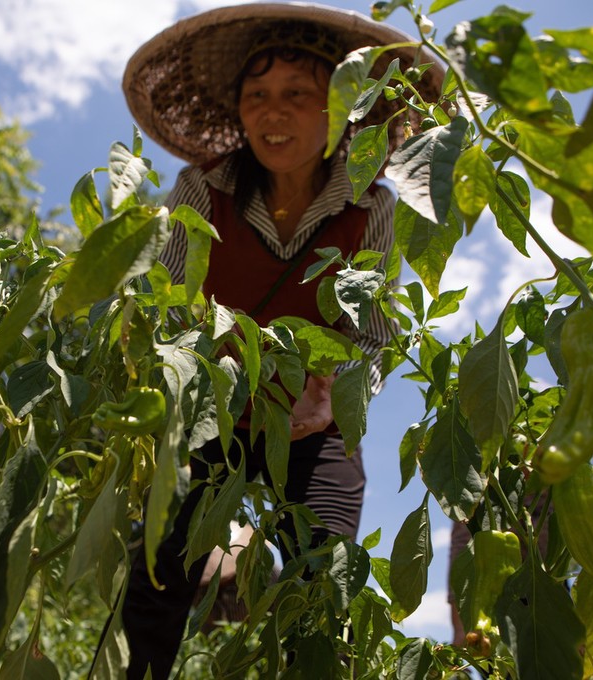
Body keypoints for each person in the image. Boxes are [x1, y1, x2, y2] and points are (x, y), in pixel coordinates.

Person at [117, 4, 443, 677]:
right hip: (212, 416)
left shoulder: (371, 208)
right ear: (238, 111)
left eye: (299, 95)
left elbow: (372, 336)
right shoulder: (203, 190)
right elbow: (171, 305)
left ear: (340, 112)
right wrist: (211, 351)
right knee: (155, 576)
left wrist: (336, 396)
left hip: (311, 425)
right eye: (257, 96)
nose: (273, 112)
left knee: (321, 576)